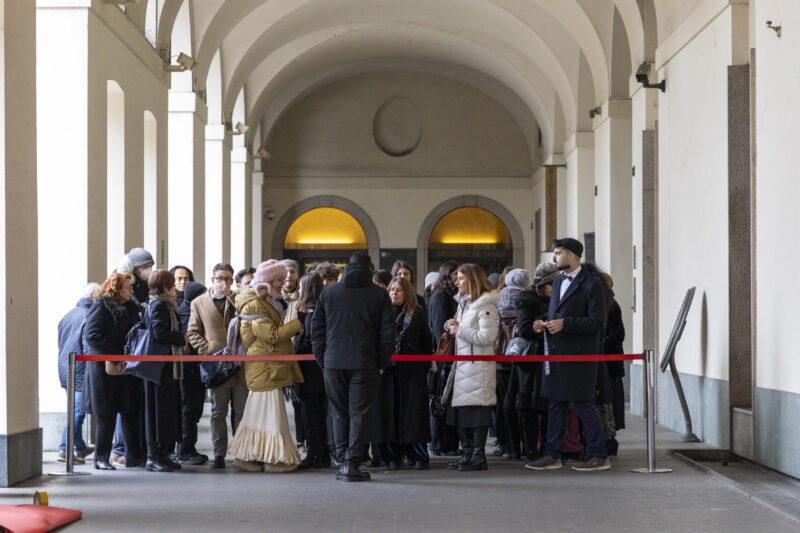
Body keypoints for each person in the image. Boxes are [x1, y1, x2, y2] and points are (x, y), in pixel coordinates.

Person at [526, 238, 610, 472]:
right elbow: (556, 311)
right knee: (556, 405)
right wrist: (542, 322)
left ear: (571, 255)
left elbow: (597, 321)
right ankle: (553, 454)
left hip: (579, 356)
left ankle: (600, 455)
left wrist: (566, 324)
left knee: (584, 405)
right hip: (556, 355)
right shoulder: (560, 280)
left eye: (558, 253)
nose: (554, 257)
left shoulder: (591, 284)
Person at [311, 251, 394, 482]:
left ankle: (341, 460)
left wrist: (322, 359)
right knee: (359, 413)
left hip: (333, 363)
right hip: (366, 363)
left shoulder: (329, 293)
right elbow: (388, 333)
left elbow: (316, 329)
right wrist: (382, 363)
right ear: (370, 268)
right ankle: (353, 462)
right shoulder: (379, 295)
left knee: (338, 412)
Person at [229, 260, 304, 473]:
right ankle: (274, 460)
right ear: (269, 280)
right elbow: (271, 336)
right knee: (271, 414)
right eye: (279, 279)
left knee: (258, 414)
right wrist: (299, 322)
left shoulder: (261, 300)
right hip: (265, 367)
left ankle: (246, 457)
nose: (283, 282)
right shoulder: (255, 303)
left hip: (266, 366)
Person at [82, 273, 145, 470]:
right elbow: (92, 336)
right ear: (116, 289)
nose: (131, 291)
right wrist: (116, 354)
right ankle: (101, 458)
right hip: (104, 369)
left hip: (126, 367)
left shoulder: (131, 307)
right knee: (106, 414)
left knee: (130, 411)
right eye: (127, 288)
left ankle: (134, 456)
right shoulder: (101, 305)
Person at [187, 263, 247, 469]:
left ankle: (241, 452)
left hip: (239, 362)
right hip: (216, 364)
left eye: (228, 279)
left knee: (240, 409)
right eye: (220, 278)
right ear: (212, 280)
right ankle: (219, 453)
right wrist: (207, 349)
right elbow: (193, 332)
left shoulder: (239, 298)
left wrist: (232, 297)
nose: (224, 282)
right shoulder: (199, 302)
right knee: (218, 411)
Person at [371, 276, 433, 470]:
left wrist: (420, 369)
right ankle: (390, 456)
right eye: (391, 290)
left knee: (413, 415)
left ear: (407, 293)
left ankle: (418, 455)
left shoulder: (417, 315)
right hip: (387, 374)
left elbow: (427, 344)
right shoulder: (381, 314)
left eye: (398, 290)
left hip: (411, 374)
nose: (394, 293)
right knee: (388, 415)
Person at [443, 264, 499, 472]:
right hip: (465, 364)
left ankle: (478, 455)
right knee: (463, 413)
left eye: (461, 279)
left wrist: (460, 330)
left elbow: (488, 337)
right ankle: (467, 454)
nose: (457, 283)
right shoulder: (465, 303)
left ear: (472, 280)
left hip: (478, 366)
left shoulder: (485, 305)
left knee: (477, 413)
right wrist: (452, 326)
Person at [142, 269, 189, 472]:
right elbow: (160, 333)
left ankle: (162, 454)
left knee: (165, 410)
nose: (176, 289)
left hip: (163, 367)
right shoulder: (160, 306)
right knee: (157, 411)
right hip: (159, 367)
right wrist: (181, 338)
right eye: (172, 284)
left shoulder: (162, 305)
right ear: (164, 287)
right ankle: (154, 456)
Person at [513, 262, 560, 463]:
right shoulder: (526, 299)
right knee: (530, 407)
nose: (555, 289)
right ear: (541, 284)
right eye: (552, 284)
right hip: (532, 363)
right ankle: (531, 449)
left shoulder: (555, 298)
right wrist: (545, 320)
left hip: (551, 361)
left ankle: (549, 449)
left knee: (549, 406)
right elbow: (524, 329)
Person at [56, 282, 99, 464]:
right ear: (95, 297)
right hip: (80, 369)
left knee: (74, 407)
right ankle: (65, 448)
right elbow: (89, 345)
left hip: (65, 367)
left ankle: (80, 447)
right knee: (78, 411)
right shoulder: (89, 315)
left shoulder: (68, 315)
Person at [293, 272, 330, 469]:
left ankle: (314, 454)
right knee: (318, 415)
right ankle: (321, 453)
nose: (298, 290)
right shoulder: (320, 310)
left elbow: (307, 342)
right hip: (318, 374)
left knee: (311, 416)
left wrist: (294, 345)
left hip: (309, 374)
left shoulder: (312, 313)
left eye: (301, 287)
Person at [426, 260, 460, 456]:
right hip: (443, 357)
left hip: (447, 356)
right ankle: (440, 444)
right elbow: (440, 329)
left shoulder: (449, 295)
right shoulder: (440, 296)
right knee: (441, 400)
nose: (458, 278)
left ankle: (448, 443)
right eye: (456, 274)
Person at [495, 268, 529, 460]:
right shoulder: (527, 299)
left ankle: (508, 445)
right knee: (523, 402)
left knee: (504, 405)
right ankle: (526, 444)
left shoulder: (497, 299)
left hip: (500, 358)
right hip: (523, 357)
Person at [174, 280, 208, 465]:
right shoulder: (189, 314)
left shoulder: (182, 311)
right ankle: (186, 449)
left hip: (189, 368)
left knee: (190, 408)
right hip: (190, 369)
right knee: (190, 409)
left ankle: (186, 448)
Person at [280, 259, 305, 450]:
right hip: (276, 355)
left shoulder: (303, 297)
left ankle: (301, 439)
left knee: (299, 400)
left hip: (298, 355)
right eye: (285, 272)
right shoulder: (272, 297)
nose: (289, 276)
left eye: (293, 272)